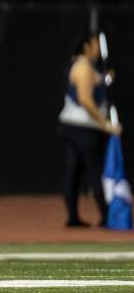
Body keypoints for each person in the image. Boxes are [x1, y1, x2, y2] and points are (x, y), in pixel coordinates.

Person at [58, 31, 121, 227]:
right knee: (94, 171)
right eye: (94, 45)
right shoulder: (83, 67)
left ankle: (73, 217)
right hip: (82, 128)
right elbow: (85, 100)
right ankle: (107, 216)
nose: (96, 49)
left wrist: (104, 79)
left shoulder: (83, 66)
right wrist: (106, 125)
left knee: (74, 170)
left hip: (72, 126)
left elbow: (96, 85)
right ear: (86, 47)